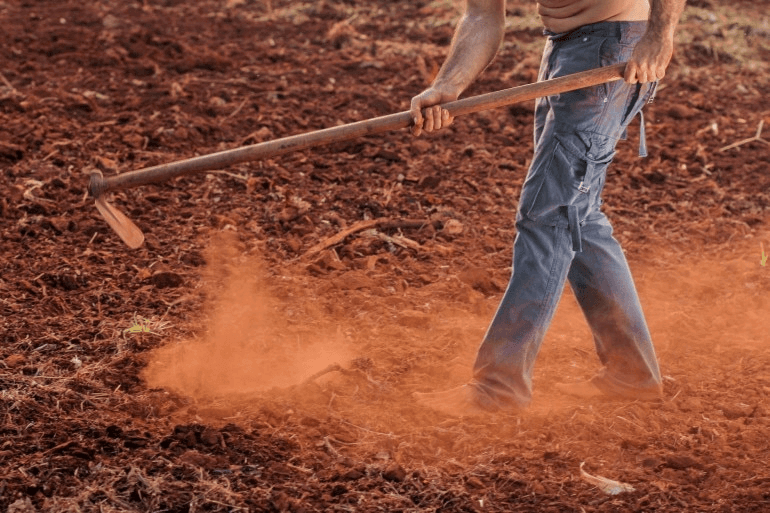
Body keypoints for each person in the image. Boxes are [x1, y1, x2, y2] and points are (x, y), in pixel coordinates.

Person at [411, 0, 687, 415]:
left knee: (549, 214)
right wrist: (447, 85)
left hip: (615, 46)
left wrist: (659, 35)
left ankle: (498, 389)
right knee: (577, 214)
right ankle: (632, 374)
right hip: (568, 47)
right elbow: (482, 15)